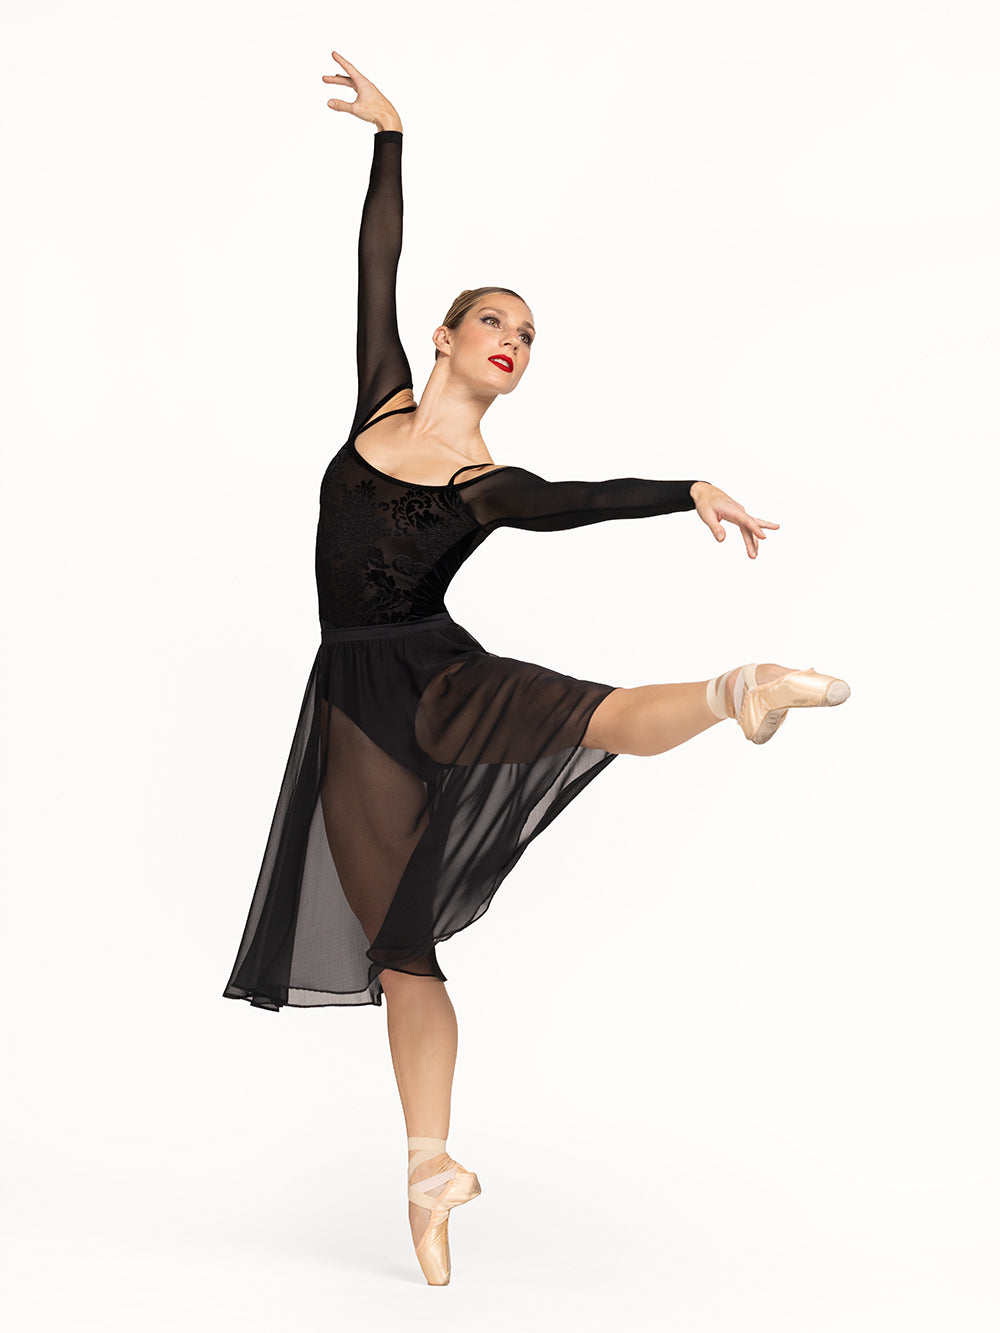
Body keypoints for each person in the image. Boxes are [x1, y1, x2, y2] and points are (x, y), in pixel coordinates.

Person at [222, 50, 851, 1286]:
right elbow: (375, 266)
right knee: (401, 949)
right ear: (445, 336)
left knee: (593, 715)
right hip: (353, 709)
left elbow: (575, 498)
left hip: (435, 679)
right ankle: (430, 1171)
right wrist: (390, 142)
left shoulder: (484, 483)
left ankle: (741, 690)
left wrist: (684, 489)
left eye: (527, 335)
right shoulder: (378, 404)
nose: (511, 341)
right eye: (494, 322)